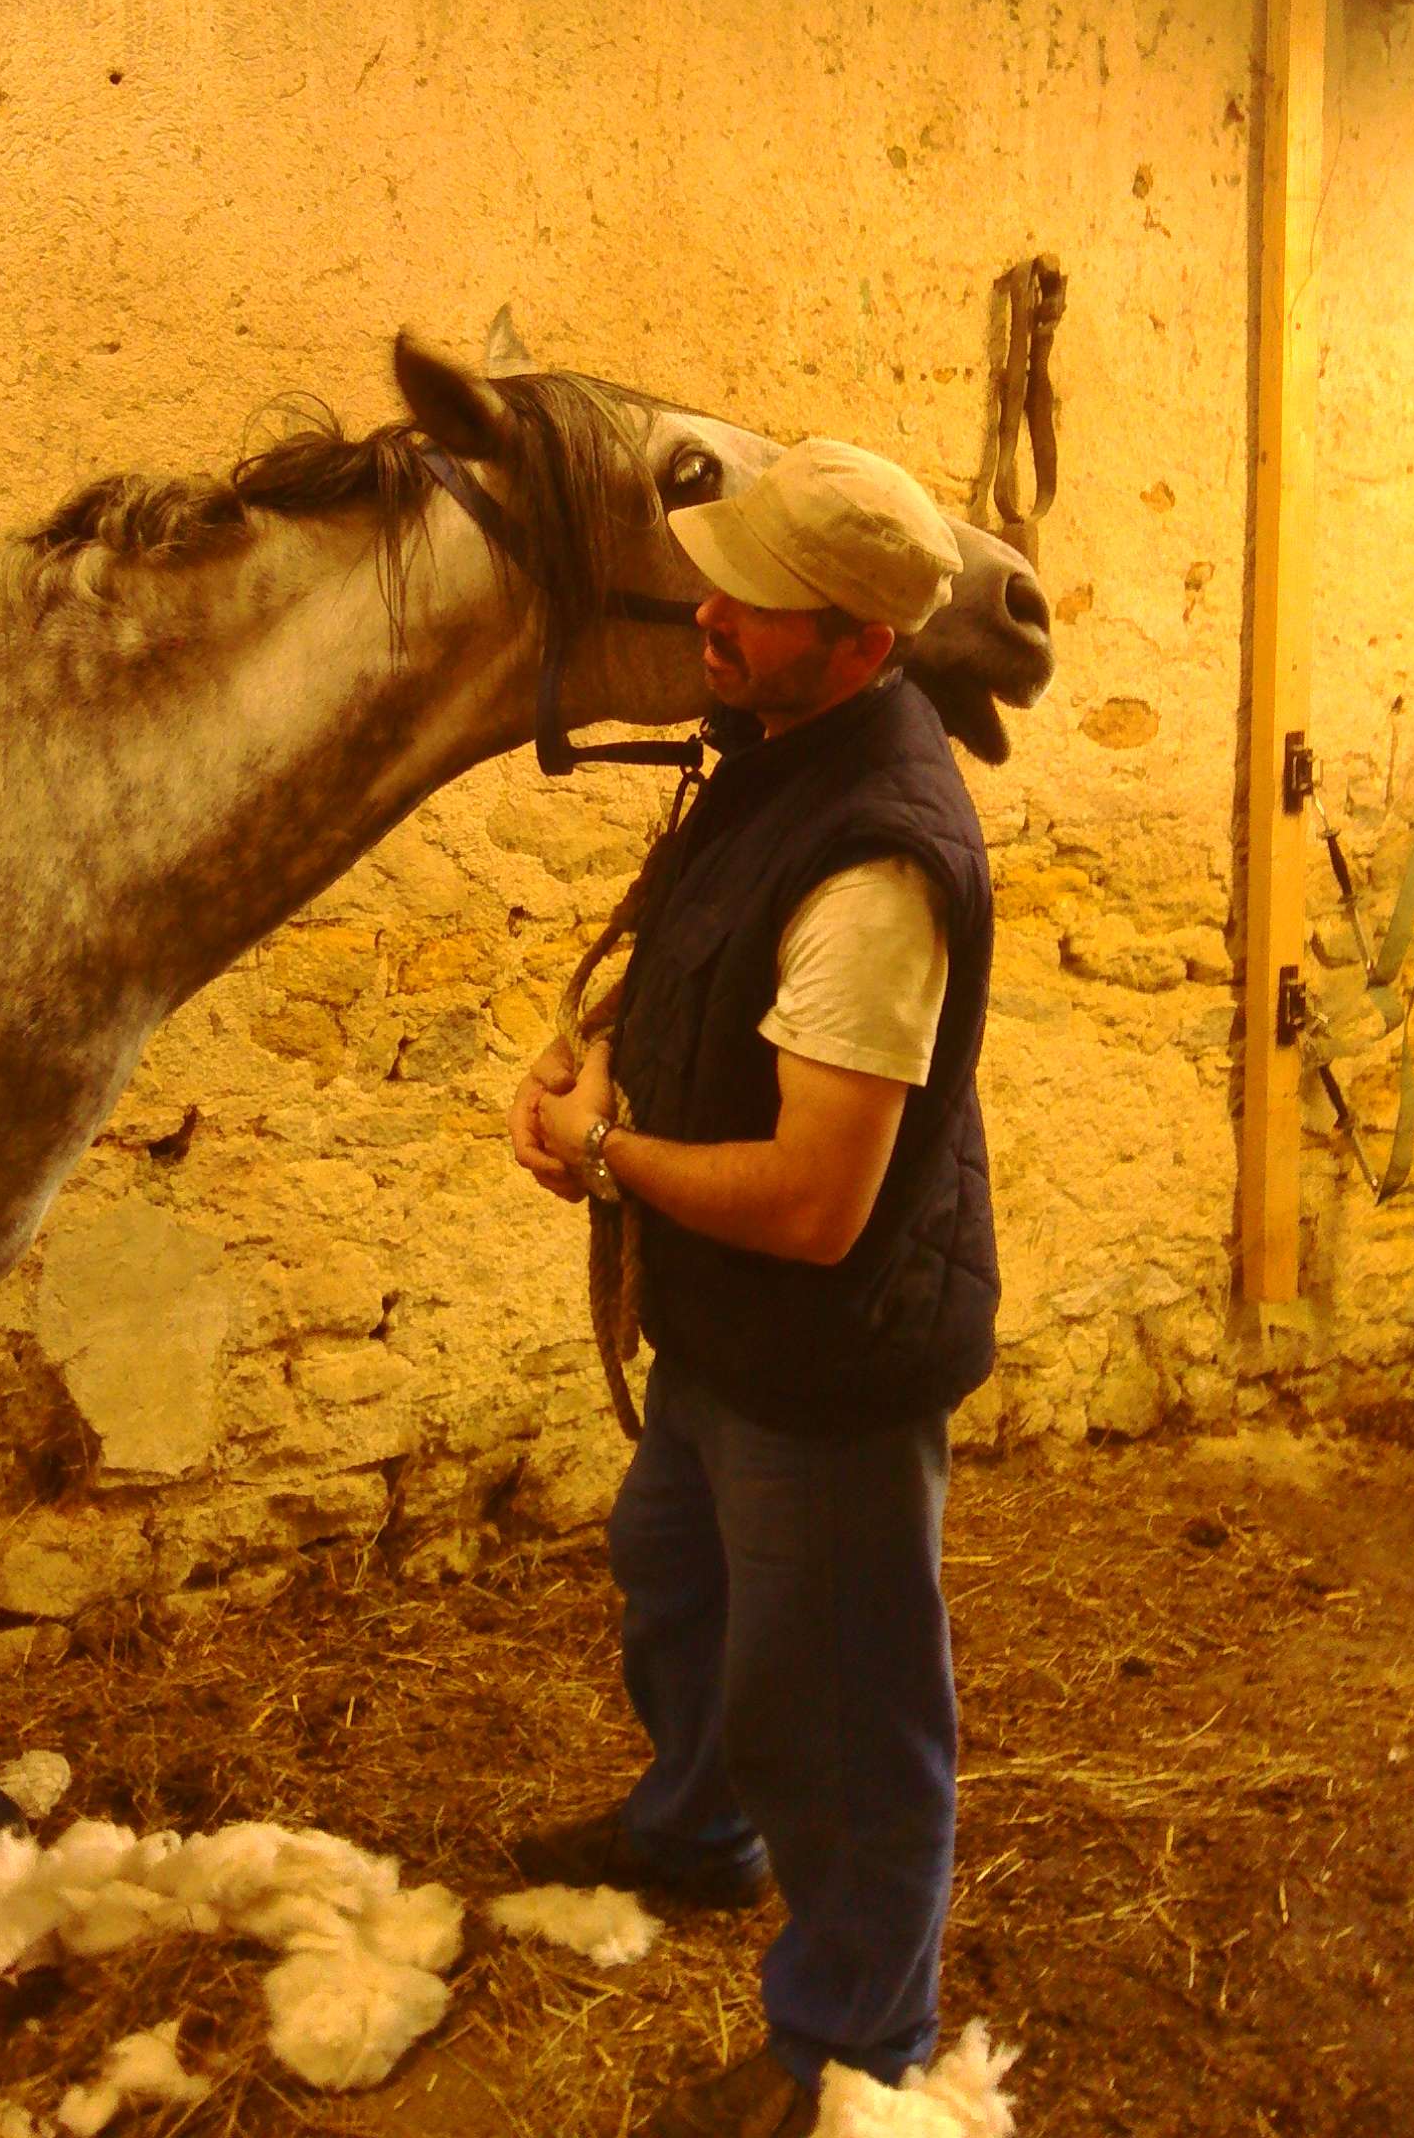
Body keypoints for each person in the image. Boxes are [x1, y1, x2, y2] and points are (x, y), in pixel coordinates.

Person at [507, 436, 1000, 2138]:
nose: (710, 613)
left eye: (759, 604)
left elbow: (808, 1204)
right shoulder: (779, 742)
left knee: (847, 1716)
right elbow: (707, 948)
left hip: (822, 1350)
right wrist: (595, 1048)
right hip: (732, 1326)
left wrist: (606, 1157)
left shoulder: (879, 865)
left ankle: (853, 2045)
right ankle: (698, 1835)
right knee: (676, 1574)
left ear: (862, 645)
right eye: (722, 580)